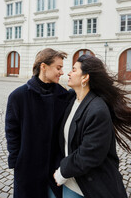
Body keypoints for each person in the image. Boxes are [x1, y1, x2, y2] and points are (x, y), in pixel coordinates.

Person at [54, 54, 131, 198]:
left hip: (91, 186)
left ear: (85, 77)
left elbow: (90, 153)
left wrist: (62, 172)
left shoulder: (97, 110)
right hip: (71, 183)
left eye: (74, 70)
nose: (68, 73)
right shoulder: (73, 100)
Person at [5, 48, 74, 198]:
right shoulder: (18, 96)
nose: (62, 72)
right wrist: (17, 161)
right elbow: (12, 132)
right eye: (58, 67)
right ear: (43, 66)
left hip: (54, 168)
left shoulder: (63, 96)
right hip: (27, 167)